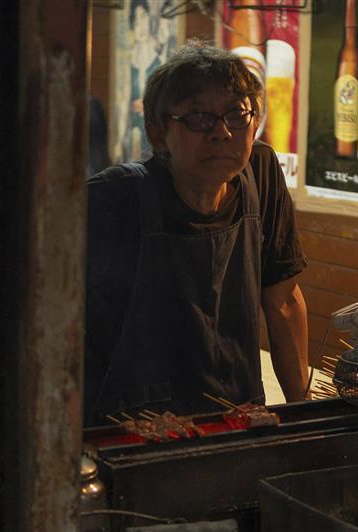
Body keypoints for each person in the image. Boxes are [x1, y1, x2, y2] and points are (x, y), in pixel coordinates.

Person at [84, 41, 309, 427]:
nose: (221, 132)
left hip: (239, 418)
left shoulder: (263, 174)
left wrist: (304, 414)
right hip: (135, 430)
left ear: (254, 124)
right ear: (157, 134)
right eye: (199, 118)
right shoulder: (114, 197)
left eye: (236, 115)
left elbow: (283, 301)